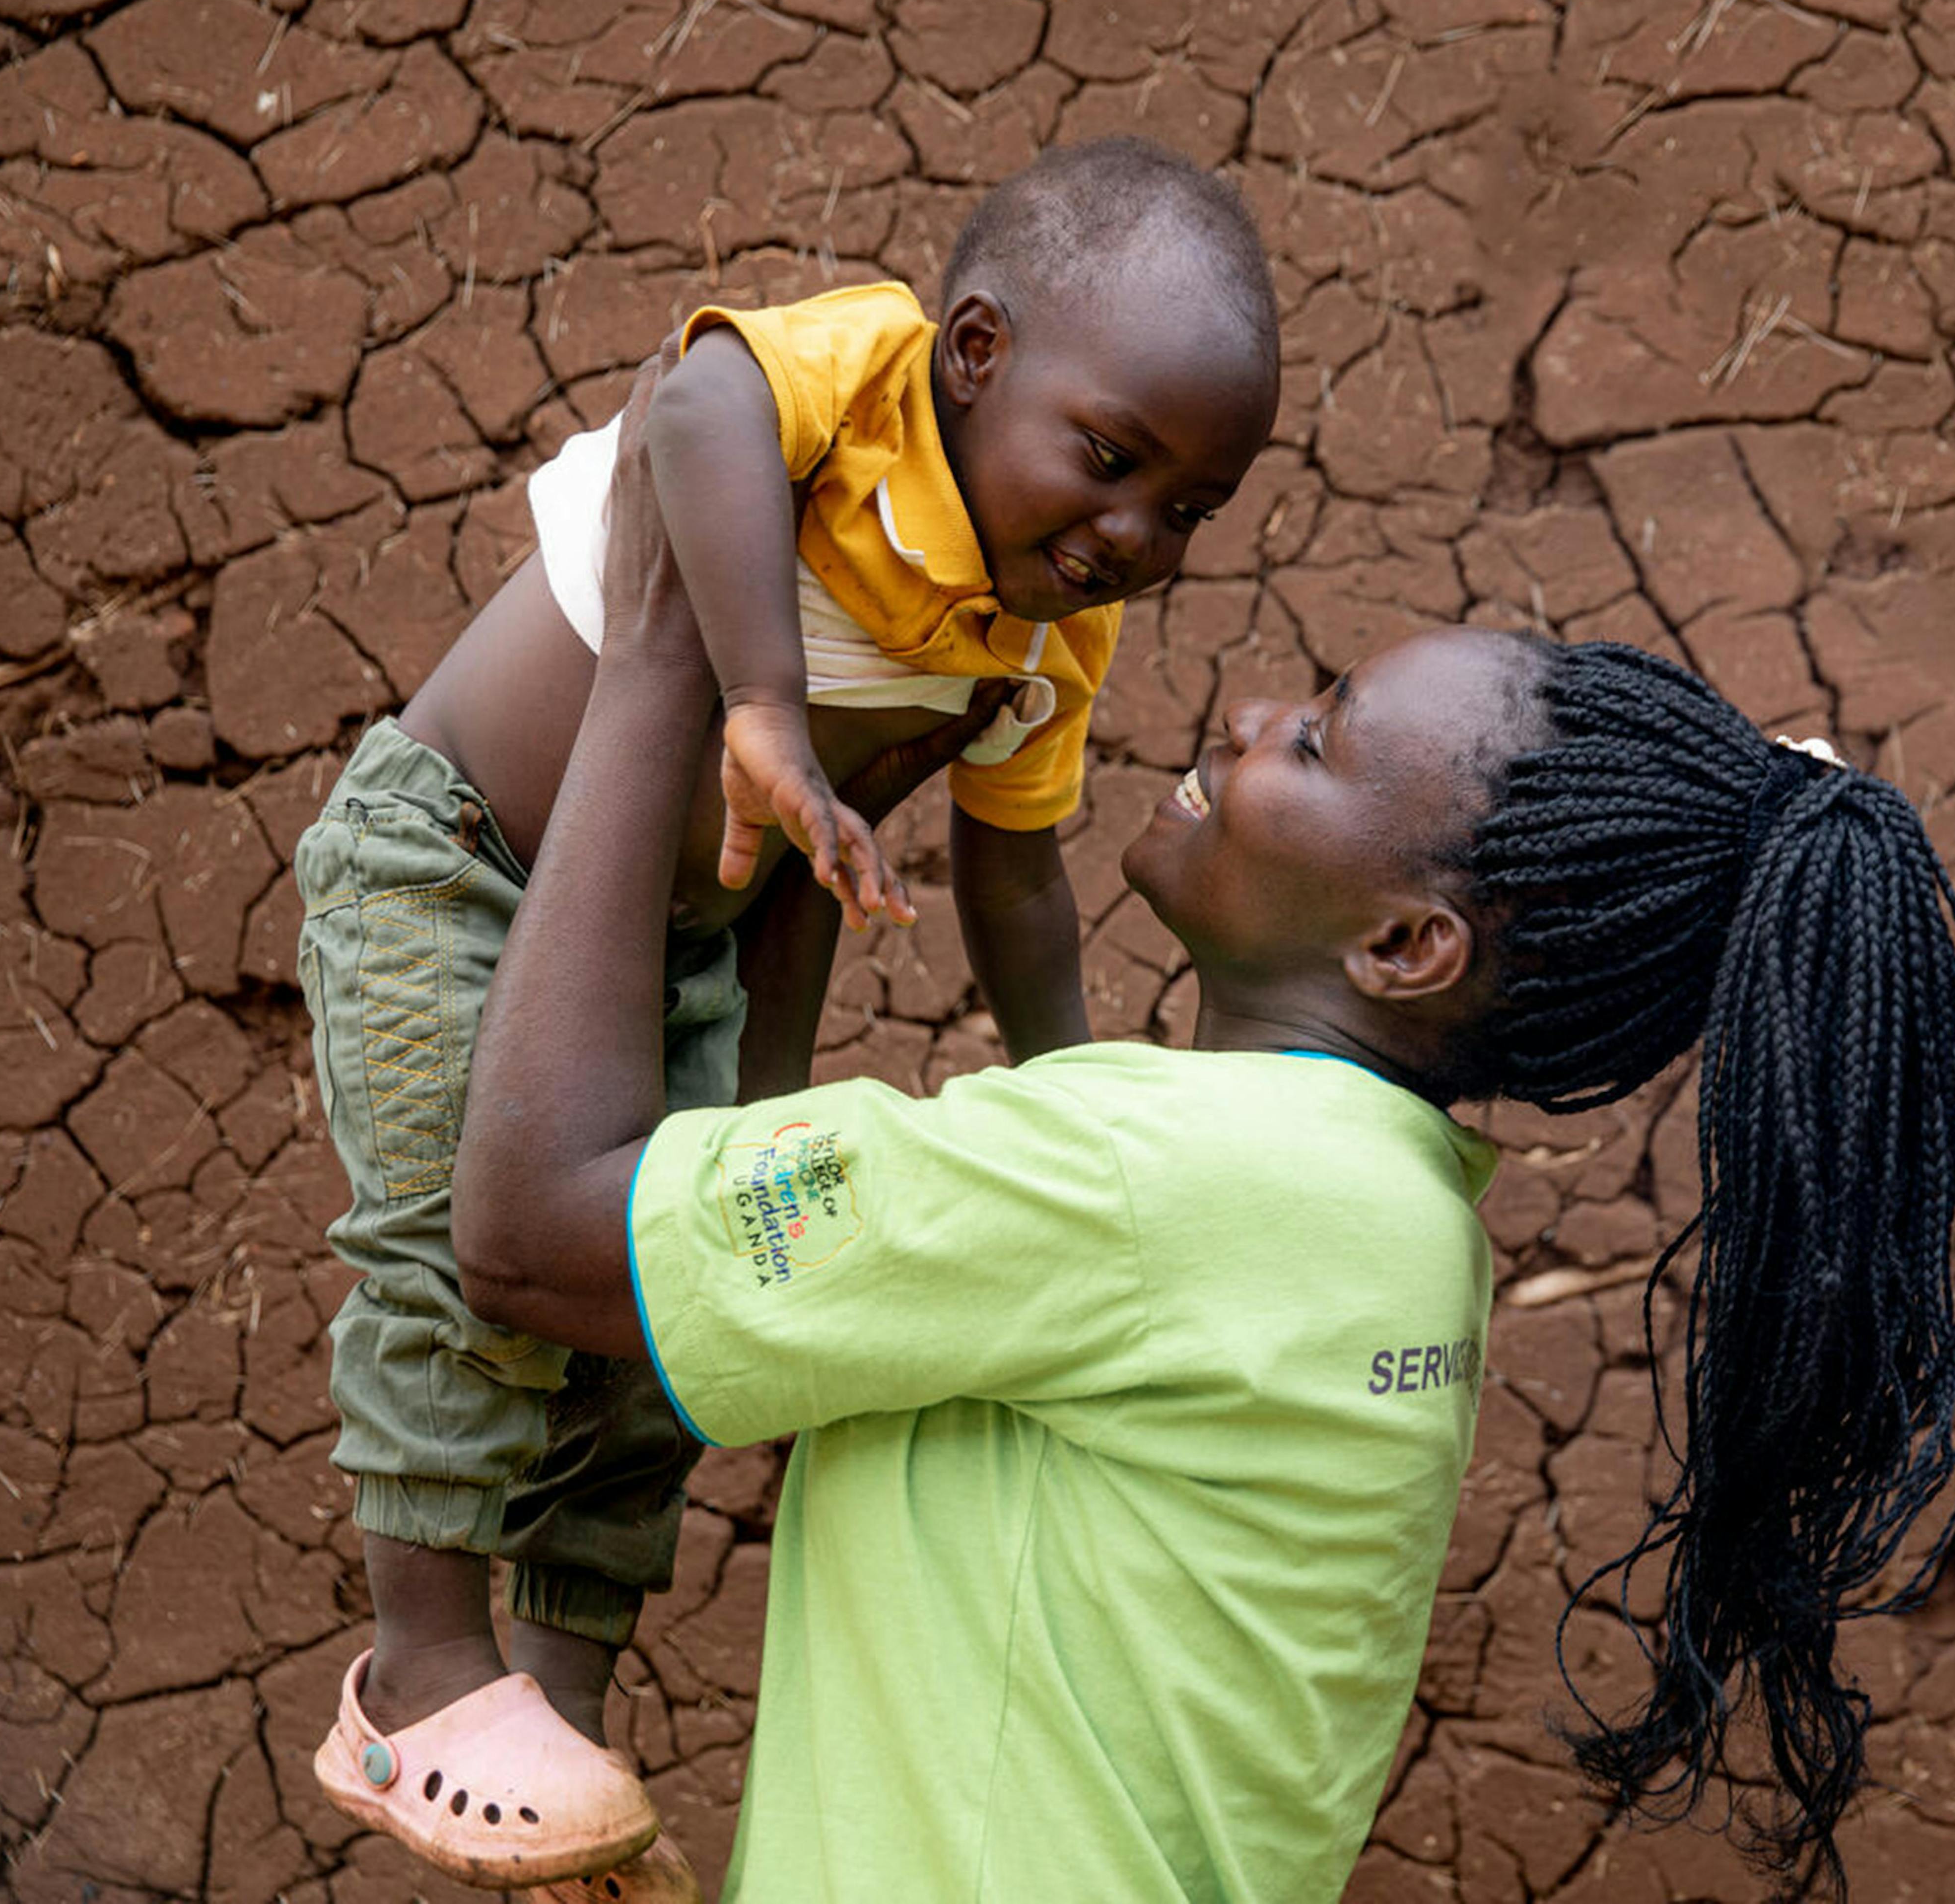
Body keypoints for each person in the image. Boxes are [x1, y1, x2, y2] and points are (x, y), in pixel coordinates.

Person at [420, 384, 1955, 1901]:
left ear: (1406, 948)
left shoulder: (1148, 1178)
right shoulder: (1386, 1221)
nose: (1251, 713)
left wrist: (659, 657)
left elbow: (532, 1227)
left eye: (1317, 741)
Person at [292, 137, 1281, 1893]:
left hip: (686, 948)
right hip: (454, 862)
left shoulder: (1046, 645)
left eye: (1188, 509)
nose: (1135, 535)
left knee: (683, 1296)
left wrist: (1104, 1117)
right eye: (1112, 459)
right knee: (460, 1249)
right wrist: (761, 694)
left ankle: (562, 1670)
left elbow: (1021, 887)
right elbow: (692, 406)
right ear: (975, 357)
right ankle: (420, 1664)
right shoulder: (864, 376)